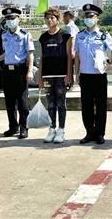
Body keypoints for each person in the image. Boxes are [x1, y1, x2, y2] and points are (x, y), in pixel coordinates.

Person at [74, 4, 112, 145]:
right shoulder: (80, 36)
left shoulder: (103, 35)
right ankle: (89, 132)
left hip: (99, 75)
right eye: (86, 16)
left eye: (91, 16)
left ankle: (100, 133)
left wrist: (111, 65)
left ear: (97, 18)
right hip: (85, 75)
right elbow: (77, 55)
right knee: (86, 106)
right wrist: (76, 73)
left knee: (100, 105)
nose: (88, 19)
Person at [0, 8, 35, 139]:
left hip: (20, 70)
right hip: (7, 70)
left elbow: (30, 53)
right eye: (8, 19)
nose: (10, 21)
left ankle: (23, 127)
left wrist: (30, 71)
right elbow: (6, 53)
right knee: (9, 101)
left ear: (18, 19)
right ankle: (12, 127)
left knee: (22, 101)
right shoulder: (4, 35)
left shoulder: (25, 34)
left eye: (12, 19)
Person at [38, 8, 73, 144]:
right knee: (50, 104)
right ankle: (51, 128)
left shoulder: (65, 36)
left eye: (52, 18)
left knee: (61, 103)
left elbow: (69, 56)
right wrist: (40, 78)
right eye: (47, 18)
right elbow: (41, 58)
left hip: (61, 75)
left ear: (58, 20)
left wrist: (69, 74)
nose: (49, 20)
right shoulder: (43, 37)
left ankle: (61, 130)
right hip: (48, 75)